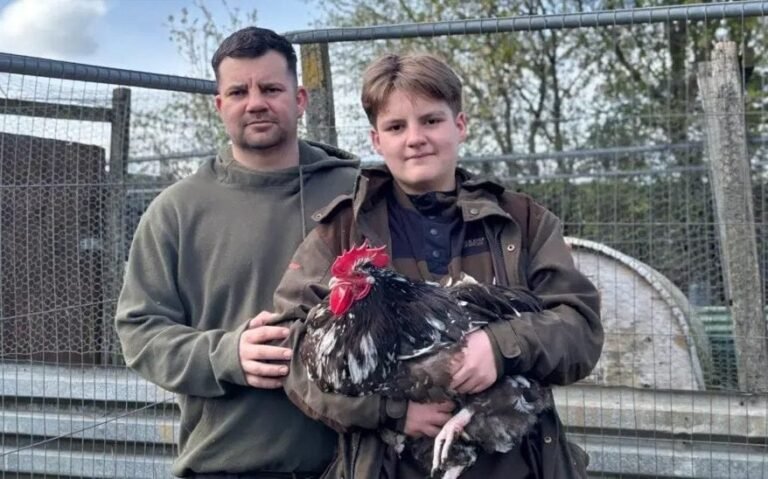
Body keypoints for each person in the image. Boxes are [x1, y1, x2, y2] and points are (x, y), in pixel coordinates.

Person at [271, 53, 603, 478]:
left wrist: (500, 347)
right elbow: (291, 347)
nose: (415, 139)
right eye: (396, 127)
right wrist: (389, 410)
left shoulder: (522, 221)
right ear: (376, 141)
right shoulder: (340, 230)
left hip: (516, 465)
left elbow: (580, 329)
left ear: (459, 125)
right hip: (386, 467)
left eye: (431, 120)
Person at [114, 27, 360, 478]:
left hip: (354, 462)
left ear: (300, 98)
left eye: (270, 88)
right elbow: (139, 330)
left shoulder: (357, 192)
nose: (256, 102)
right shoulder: (177, 210)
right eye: (238, 91)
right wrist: (226, 354)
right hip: (228, 463)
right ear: (219, 104)